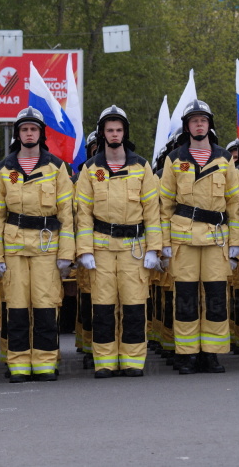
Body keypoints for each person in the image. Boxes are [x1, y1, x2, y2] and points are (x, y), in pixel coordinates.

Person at [0, 107, 74, 383]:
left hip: (47, 248)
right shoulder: (4, 168)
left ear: (41, 133)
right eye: (24, 129)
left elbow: (66, 214)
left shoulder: (57, 167)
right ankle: (19, 364)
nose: (29, 133)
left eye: (33, 129)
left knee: (46, 306)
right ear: (18, 134)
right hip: (13, 248)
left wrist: (66, 254)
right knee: (16, 307)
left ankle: (46, 362)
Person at [75, 106, 161, 378]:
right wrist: (84, 250)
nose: (114, 134)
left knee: (135, 305)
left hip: (134, 248)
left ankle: (133, 360)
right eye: (110, 129)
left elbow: (152, 210)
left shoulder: (141, 166)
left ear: (125, 133)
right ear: (102, 133)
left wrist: (154, 248)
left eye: (119, 129)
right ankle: (105, 361)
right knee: (102, 306)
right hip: (101, 247)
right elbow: (83, 214)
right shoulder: (90, 169)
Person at [159, 99, 239, 374]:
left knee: (216, 298)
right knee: (186, 298)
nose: (199, 124)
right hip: (183, 239)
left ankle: (212, 353)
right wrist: (163, 244)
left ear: (210, 125)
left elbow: (235, 205)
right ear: (187, 126)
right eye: (194, 120)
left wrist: (236, 246)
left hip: (217, 239)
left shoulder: (224, 159)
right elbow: (164, 206)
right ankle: (187, 353)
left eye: (203, 120)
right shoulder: (174, 160)